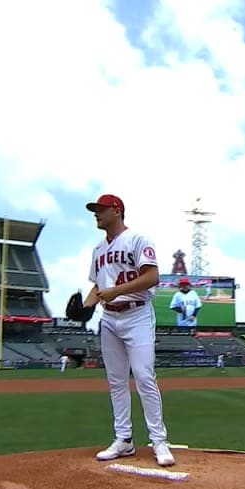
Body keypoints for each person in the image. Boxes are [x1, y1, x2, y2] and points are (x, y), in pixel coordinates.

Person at [79, 194, 175, 467]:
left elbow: (152, 277)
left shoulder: (137, 239)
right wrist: (84, 309)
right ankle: (124, 439)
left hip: (137, 315)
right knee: (116, 381)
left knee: (144, 377)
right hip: (108, 319)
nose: (96, 214)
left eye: (101, 210)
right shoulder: (98, 250)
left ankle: (159, 440)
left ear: (117, 211)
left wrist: (115, 291)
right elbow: (97, 288)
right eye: (95, 210)